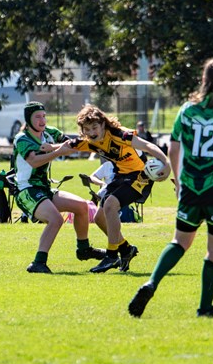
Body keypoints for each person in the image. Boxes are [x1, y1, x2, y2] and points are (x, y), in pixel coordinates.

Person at [128, 57, 213, 319]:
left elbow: (173, 148)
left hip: (190, 187)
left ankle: (151, 283)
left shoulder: (187, 110)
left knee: (180, 241)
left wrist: (179, 182)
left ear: (203, 79)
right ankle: (205, 308)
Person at [70, 105, 170, 274]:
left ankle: (111, 256)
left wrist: (166, 163)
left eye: (94, 127)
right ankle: (125, 249)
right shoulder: (93, 140)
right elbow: (67, 146)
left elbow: (147, 145)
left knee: (110, 205)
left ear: (103, 124)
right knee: (99, 217)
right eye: (87, 129)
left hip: (139, 175)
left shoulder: (120, 134)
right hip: (120, 176)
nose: (91, 132)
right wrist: (49, 148)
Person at [12, 101, 104, 274]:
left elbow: (71, 144)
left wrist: (92, 136)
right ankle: (38, 263)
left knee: (82, 206)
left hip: (44, 189)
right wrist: (58, 152)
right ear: (28, 119)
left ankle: (84, 249)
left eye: (44, 116)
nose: (42, 120)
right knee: (56, 219)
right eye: (37, 117)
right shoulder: (22, 138)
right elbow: (34, 161)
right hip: (26, 190)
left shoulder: (50, 133)